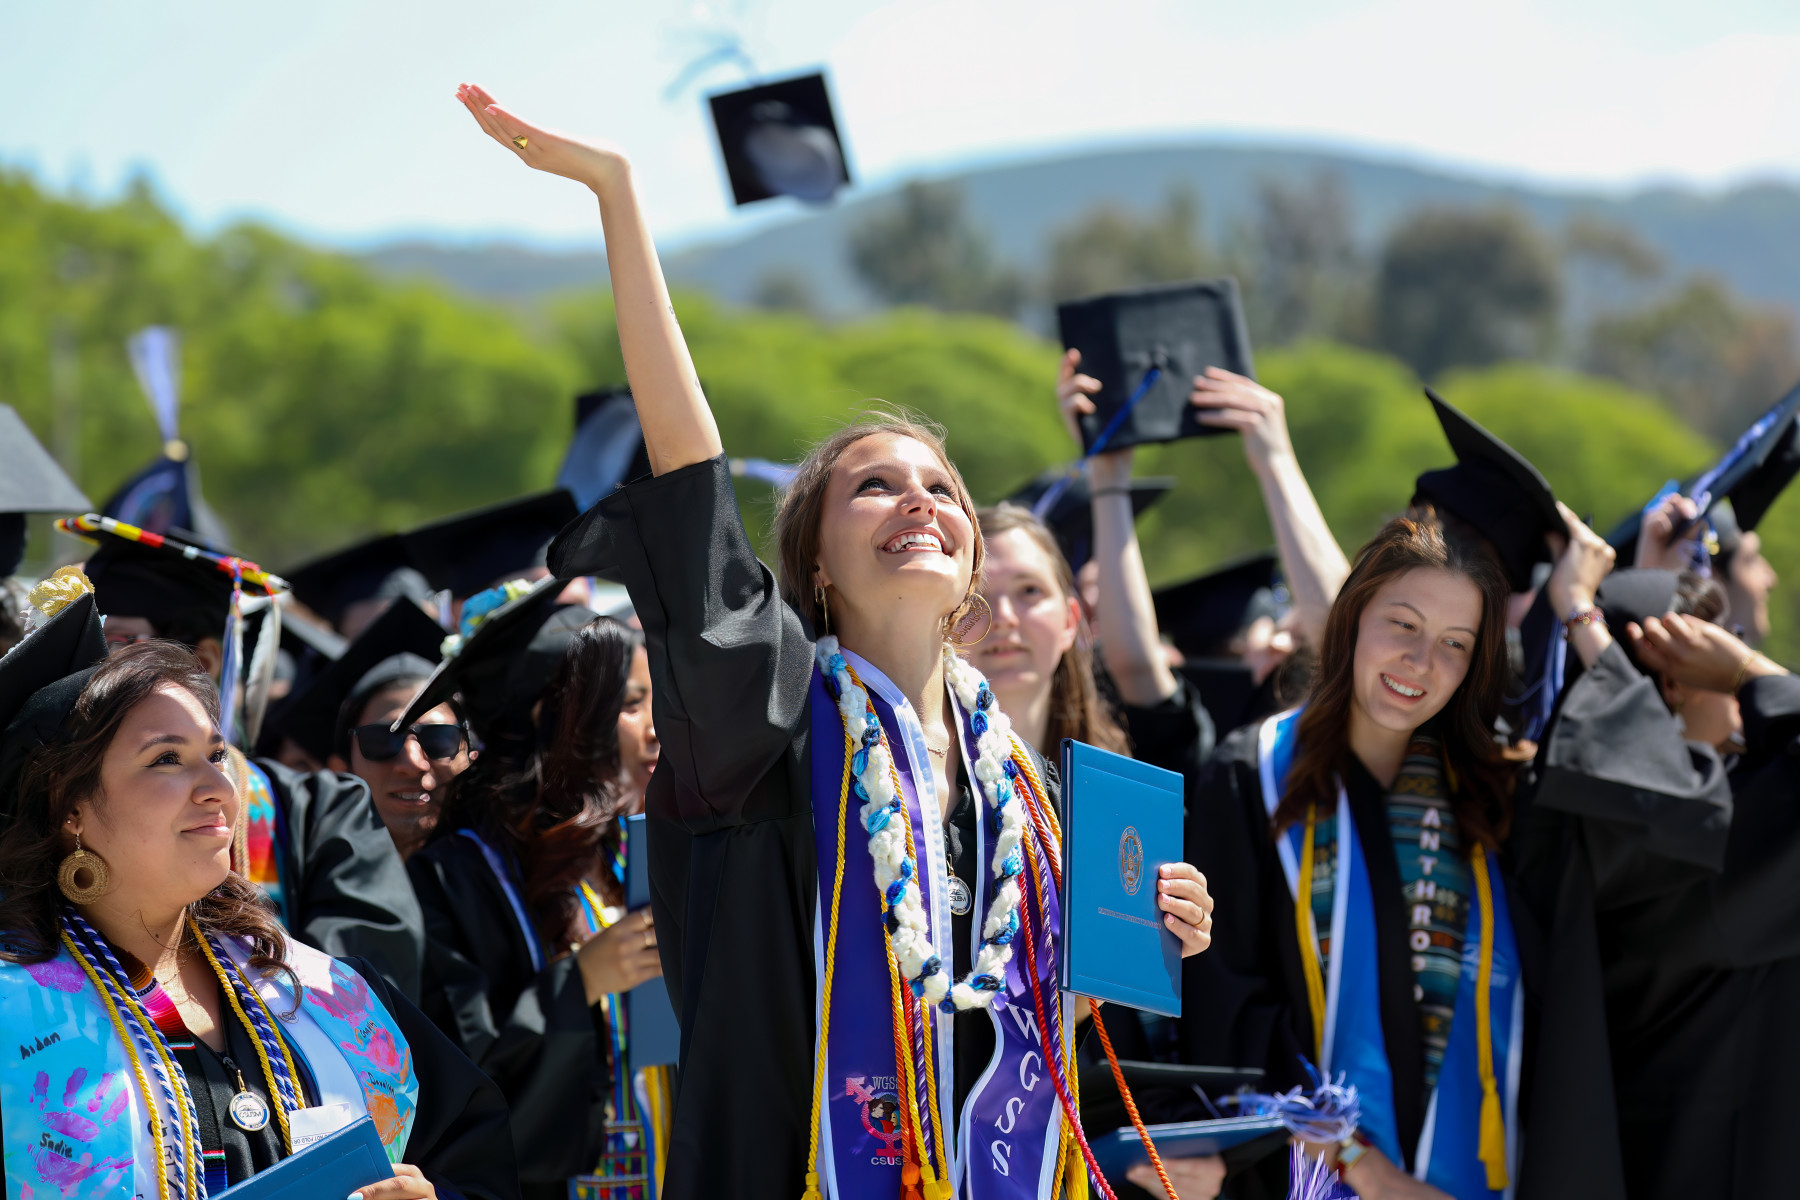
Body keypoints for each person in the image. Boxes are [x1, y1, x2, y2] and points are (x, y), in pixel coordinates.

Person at [458, 81, 1215, 1200]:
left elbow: (1020, 1028)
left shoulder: (1029, 791)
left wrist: (1139, 938)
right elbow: (688, 468)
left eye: (941, 490)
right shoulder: (764, 712)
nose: (919, 504)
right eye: (873, 487)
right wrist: (618, 195)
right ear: (813, 561)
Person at [0, 587, 517, 1199]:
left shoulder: (321, 993)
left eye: (216, 753)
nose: (217, 785)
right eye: (167, 759)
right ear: (71, 808)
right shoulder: (17, 1013)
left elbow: (474, 1164)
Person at [1182, 509, 1524, 1199]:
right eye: (1404, 625)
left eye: (1456, 644)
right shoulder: (1255, 773)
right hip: (1305, 1179)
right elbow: (1224, 1008)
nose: (1422, 662)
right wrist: (1365, 1168)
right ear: (1354, 617)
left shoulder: (1489, 804)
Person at [79, 524, 428, 997]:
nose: (87, 662)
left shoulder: (323, 815)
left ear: (202, 661)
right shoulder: (46, 804)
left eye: (117, 639)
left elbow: (361, 1002)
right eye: (82, 638)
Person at [408, 581, 665, 1199]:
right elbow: (464, 1080)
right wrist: (581, 982)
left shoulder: (637, 850)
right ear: (550, 715)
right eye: (629, 705)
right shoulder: (452, 878)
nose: (655, 729)